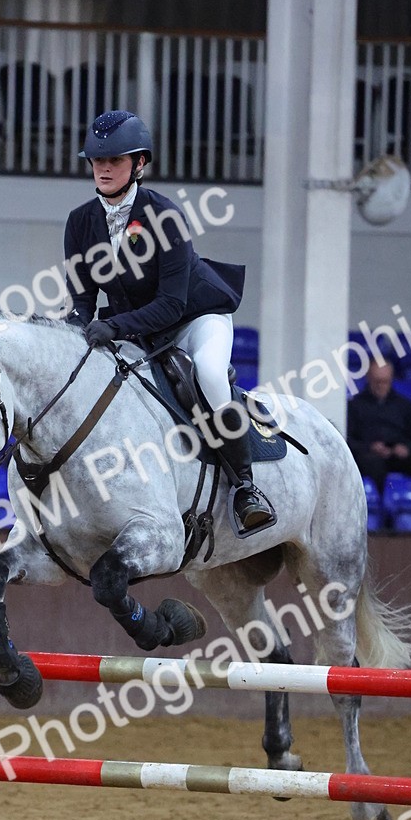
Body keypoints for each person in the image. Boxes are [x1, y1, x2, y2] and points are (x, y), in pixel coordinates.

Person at [63, 109, 272, 532]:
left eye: (115, 160)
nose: (103, 168)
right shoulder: (80, 221)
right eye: (97, 160)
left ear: (139, 163)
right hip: (135, 327)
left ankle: (245, 487)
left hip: (193, 318)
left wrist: (113, 327)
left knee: (209, 374)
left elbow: (172, 305)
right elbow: (82, 298)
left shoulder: (164, 217)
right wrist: (73, 330)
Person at [347, 359, 411, 494]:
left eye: (385, 381)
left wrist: (406, 449)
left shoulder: (405, 405)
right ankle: (383, 504)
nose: (381, 386)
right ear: (368, 378)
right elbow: (349, 441)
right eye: (377, 381)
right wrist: (370, 447)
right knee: (372, 464)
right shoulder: (355, 406)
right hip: (369, 457)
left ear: (391, 379)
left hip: (399, 456)